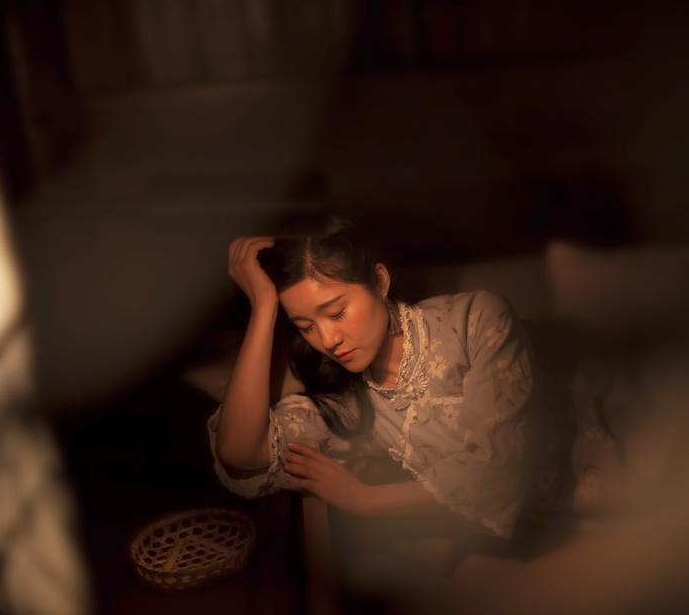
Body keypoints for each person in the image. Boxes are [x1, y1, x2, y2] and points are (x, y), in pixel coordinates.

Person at [207, 219, 540, 573]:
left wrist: (365, 500)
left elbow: (499, 473)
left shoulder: (476, 319)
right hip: (498, 544)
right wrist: (263, 308)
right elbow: (239, 450)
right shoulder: (348, 400)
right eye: (306, 326)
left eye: (337, 313)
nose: (328, 340)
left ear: (380, 281)